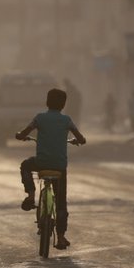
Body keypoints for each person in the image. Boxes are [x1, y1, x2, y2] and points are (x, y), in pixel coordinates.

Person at [15, 88, 87, 250]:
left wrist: (20, 135)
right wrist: (77, 140)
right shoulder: (67, 120)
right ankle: (60, 237)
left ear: (47, 101)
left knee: (26, 165)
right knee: (61, 203)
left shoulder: (39, 118)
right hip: (60, 167)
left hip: (41, 163)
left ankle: (31, 194)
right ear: (63, 104)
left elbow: (25, 132)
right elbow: (81, 138)